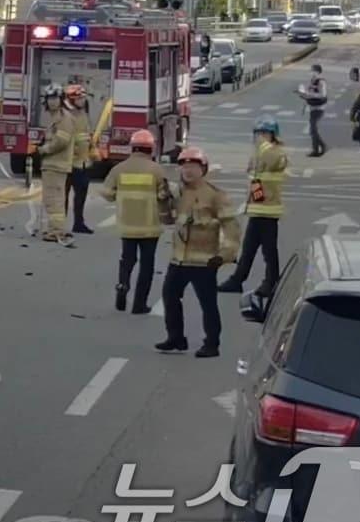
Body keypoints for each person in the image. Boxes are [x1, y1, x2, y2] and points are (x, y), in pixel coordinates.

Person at [157, 146, 240, 358]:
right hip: (179, 260)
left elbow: (231, 228)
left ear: (203, 169)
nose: (188, 170)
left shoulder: (215, 196)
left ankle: (212, 344)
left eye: (193, 166)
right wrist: (162, 200)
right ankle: (176, 338)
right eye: (184, 165)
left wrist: (224, 255)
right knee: (170, 297)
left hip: (205, 262)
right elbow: (166, 220)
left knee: (208, 305)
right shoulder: (178, 194)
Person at [100, 129, 171, 314]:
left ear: (132, 147)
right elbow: (164, 196)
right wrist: (168, 217)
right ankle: (139, 304)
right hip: (150, 226)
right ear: (151, 149)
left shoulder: (119, 168)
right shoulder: (157, 170)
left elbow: (106, 193)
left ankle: (123, 285)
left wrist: (119, 196)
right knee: (147, 266)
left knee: (127, 260)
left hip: (127, 224)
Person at [219, 117, 288, 301]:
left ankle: (271, 282)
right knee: (249, 248)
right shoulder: (262, 153)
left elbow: (272, 160)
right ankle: (237, 280)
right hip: (258, 209)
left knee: (268, 250)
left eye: (263, 133)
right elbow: (253, 173)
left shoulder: (275, 152)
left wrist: (262, 146)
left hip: (268, 210)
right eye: (257, 134)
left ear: (272, 135)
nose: (259, 138)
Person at [35, 84, 77, 246]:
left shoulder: (63, 118)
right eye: (50, 99)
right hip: (52, 164)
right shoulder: (55, 117)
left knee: (54, 199)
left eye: (55, 99)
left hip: (56, 164)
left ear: (61, 100)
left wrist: (44, 150)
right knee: (52, 199)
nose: (52, 102)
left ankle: (56, 231)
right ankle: (54, 228)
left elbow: (62, 141)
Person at [63, 84, 95, 234]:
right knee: (62, 196)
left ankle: (78, 223)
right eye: (79, 98)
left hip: (82, 163)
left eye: (83, 98)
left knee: (80, 195)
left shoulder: (83, 113)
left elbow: (86, 133)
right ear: (71, 99)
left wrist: (92, 145)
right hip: (67, 163)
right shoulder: (65, 116)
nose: (82, 101)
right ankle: (59, 225)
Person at [298, 64, 328, 157]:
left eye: (313, 71)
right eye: (310, 70)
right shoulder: (311, 81)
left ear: (318, 72)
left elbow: (323, 95)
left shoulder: (321, 82)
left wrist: (310, 94)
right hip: (312, 108)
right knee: (313, 130)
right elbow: (307, 96)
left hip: (319, 109)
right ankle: (316, 149)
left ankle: (321, 147)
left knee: (313, 130)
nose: (311, 72)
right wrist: (303, 106)